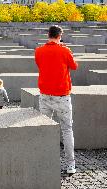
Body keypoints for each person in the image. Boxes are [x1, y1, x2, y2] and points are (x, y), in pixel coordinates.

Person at [35, 25, 78, 174]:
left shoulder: (39, 51)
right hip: (62, 96)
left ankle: (43, 162)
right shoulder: (65, 50)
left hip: (45, 96)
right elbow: (74, 66)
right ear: (60, 36)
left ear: (48, 35)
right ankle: (70, 165)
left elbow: (40, 65)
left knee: (44, 129)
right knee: (66, 130)